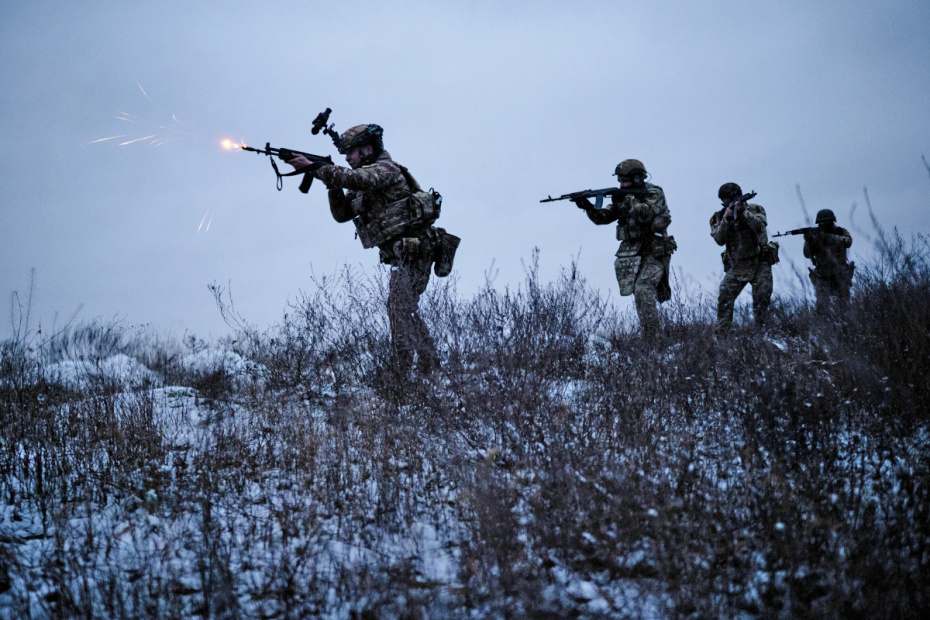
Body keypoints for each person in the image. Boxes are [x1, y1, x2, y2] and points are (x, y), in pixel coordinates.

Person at [285, 123, 457, 374]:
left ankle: (404, 376)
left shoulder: (386, 170)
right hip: (400, 254)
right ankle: (429, 366)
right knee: (402, 310)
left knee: (399, 309)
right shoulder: (362, 181)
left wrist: (318, 168)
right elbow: (342, 214)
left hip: (417, 249)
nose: (347, 158)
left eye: (351, 152)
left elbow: (357, 178)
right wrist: (330, 184)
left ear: (368, 149)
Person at [572, 159, 676, 341]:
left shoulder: (654, 193)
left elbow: (646, 213)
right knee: (638, 292)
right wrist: (588, 207)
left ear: (637, 178)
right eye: (619, 180)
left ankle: (653, 340)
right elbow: (603, 218)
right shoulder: (623, 197)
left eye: (624, 180)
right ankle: (651, 336)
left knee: (643, 288)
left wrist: (627, 199)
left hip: (655, 250)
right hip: (632, 253)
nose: (621, 184)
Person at [710, 182, 778, 333]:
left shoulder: (755, 209)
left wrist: (744, 213)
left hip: (759, 261)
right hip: (737, 265)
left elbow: (760, 228)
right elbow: (719, 240)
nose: (729, 202)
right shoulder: (718, 217)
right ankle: (722, 335)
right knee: (725, 296)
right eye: (726, 199)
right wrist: (726, 219)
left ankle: (763, 332)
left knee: (762, 299)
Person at [803, 208, 854, 314]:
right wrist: (809, 241)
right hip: (823, 276)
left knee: (844, 307)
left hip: (840, 275)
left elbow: (848, 242)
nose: (823, 225)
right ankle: (823, 328)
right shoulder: (816, 236)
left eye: (826, 222)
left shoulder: (840, 231)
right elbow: (807, 254)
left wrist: (827, 237)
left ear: (832, 221)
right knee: (822, 308)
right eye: (821, 223)